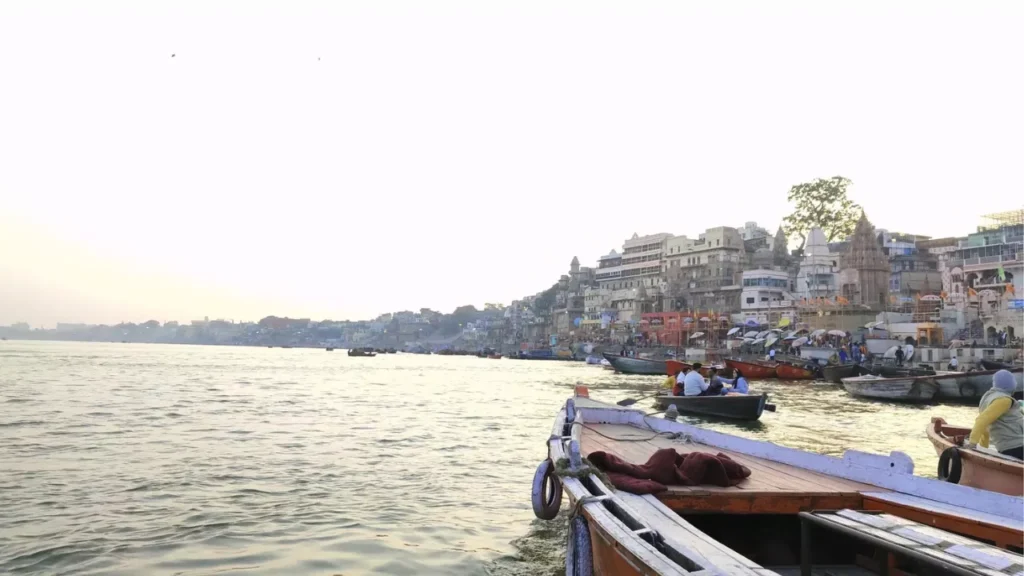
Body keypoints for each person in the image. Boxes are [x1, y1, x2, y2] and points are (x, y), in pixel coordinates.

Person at [966, 370, 1023, 460]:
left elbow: (985, 427)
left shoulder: (988, 398)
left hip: (1006, 448)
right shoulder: (1004, 400)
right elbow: (982, 420)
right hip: (1018, 446)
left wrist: (983, 448)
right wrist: (972, 443)